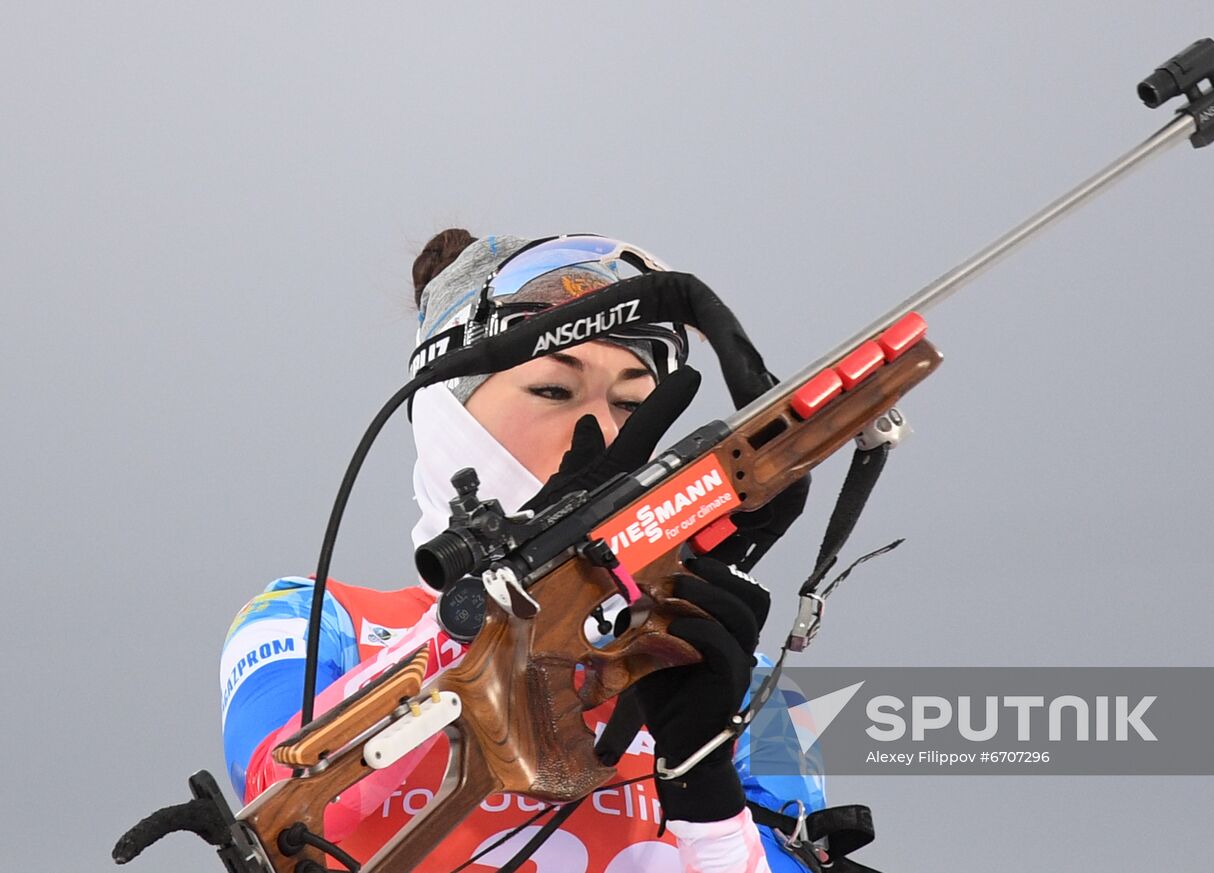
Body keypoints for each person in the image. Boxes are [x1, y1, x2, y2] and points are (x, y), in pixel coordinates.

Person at [219, 230, 827, 873]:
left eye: (631, 402)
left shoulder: (741, 671)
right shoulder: (313, 617)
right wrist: (486, 611)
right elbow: (280, 802)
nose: (600, 430)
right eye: (554, 392)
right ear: (446, 417)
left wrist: (707, 800)